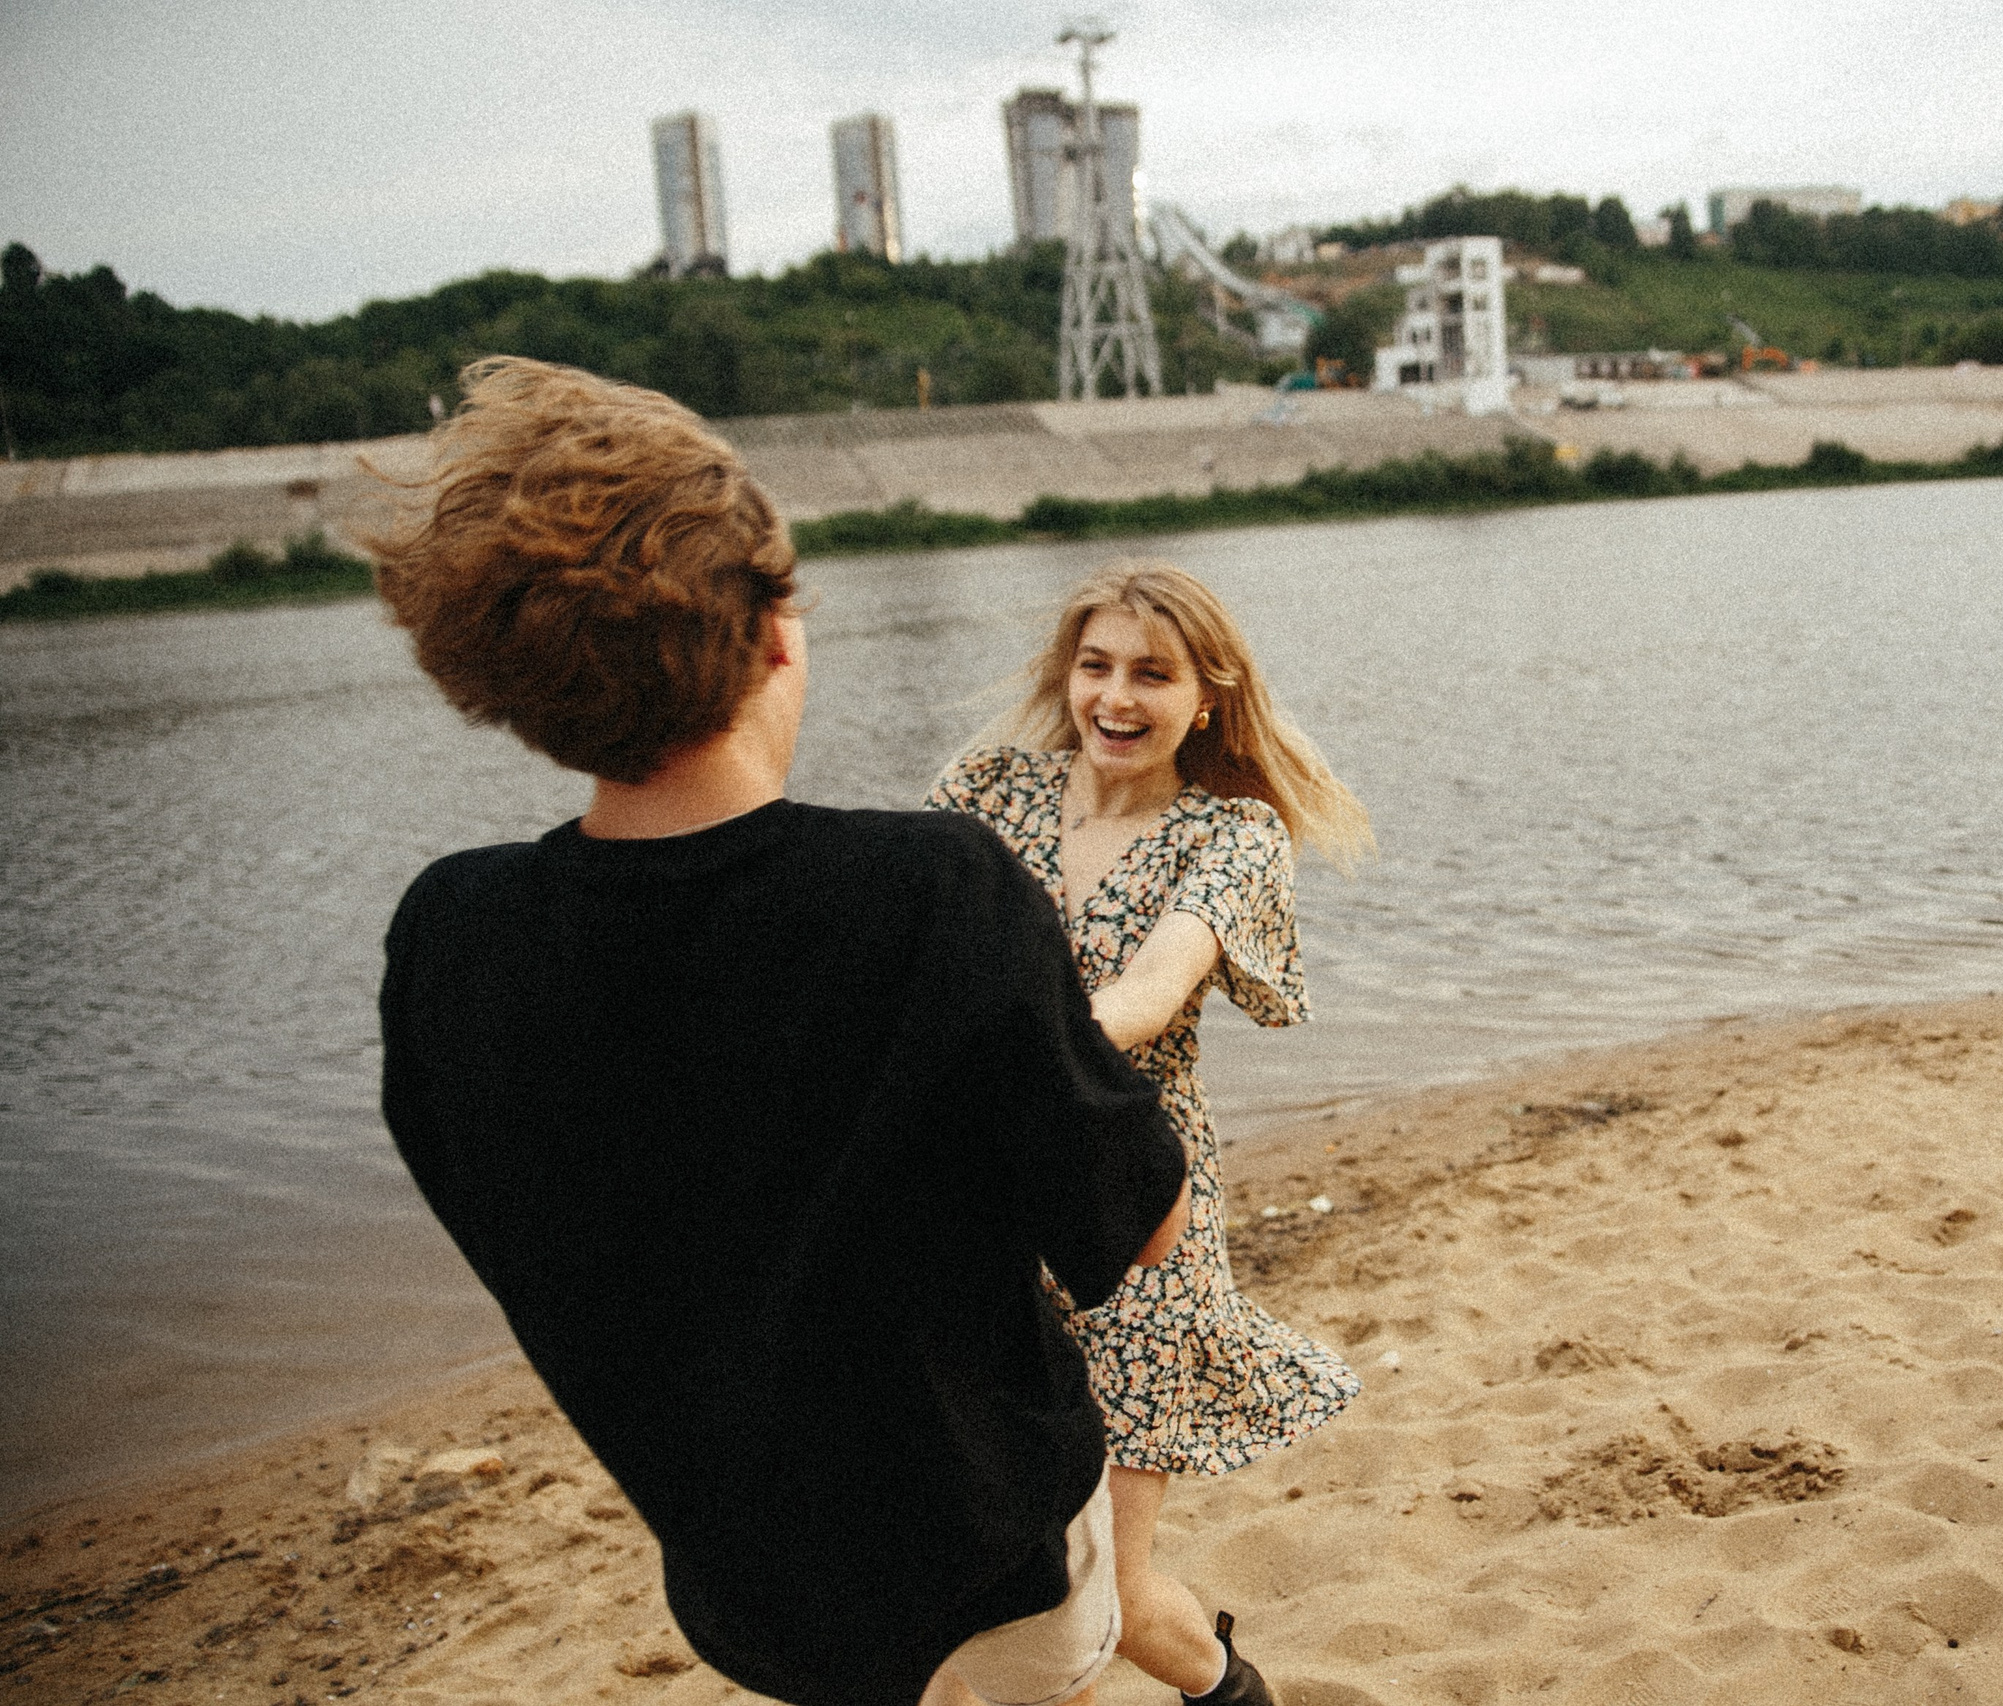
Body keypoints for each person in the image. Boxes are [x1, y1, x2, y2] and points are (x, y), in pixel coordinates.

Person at [372, 357, 1190, 1706]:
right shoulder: (932, 888)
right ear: (772, 633)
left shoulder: (450, 934)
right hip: (988, 1563)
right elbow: (1134, 1228)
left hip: (741, 1590)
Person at [929, 560, 1375, 1706]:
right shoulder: (983, 793)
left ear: (1208, 695)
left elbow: (1144, 998)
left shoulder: (1231, 835)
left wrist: (975, 1051)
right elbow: (896, 960)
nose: (1115, 696)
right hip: (976, 1213)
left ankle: (1234, 1693)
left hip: (1137, 1215)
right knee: (987, 1573)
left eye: (1151, 672)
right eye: (1095, 665)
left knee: (1107, 1594)